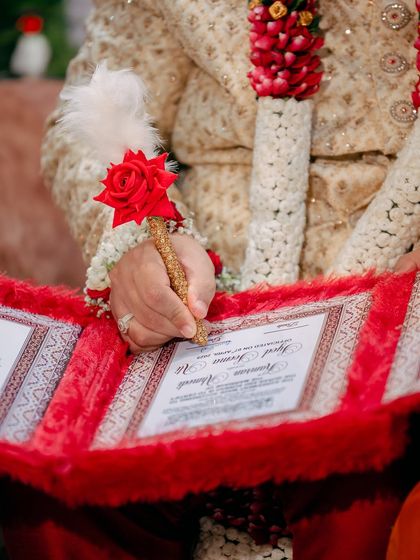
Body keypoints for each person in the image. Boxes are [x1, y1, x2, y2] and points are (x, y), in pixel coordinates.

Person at [4, 1, 420, 559]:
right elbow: (87, 116)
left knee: (367, 499)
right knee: (56, 494)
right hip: (201, 302)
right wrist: (140, 241)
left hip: (399, 298)